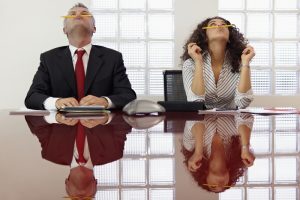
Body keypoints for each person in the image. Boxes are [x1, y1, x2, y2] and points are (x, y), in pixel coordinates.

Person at [25, 3, 136, 110]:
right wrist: (56, 102)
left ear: (94, 28)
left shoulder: (113, 58)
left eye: (84, 13)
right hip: (61, 126)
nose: (78, 15)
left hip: (100, 126)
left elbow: (128, 96)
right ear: (65, 30)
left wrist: (105, 101)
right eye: (72, 14)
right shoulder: (49, 59)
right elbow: (32, 97)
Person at [25, 113, 132, 199]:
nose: (81, 199)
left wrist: (56, 117)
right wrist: (105, 118)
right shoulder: (114, 152)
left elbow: (31, 117)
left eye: (74, 199)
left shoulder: (50, 152)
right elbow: (127, 119)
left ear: (66, 184)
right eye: (87, 199)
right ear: (96, 185)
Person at [181, 16, 255, 109]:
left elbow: (243, 102)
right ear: (205, 36)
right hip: (199, 121)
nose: (219, 25)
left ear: (229, 37)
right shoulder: (190, 64)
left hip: (231, 121)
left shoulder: (240, 62)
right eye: (213, 24)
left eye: (224, 24)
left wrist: (245, 63)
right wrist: (198, 62)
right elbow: (196, 102)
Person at [182, 113, 255, 193]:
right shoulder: (239, 149)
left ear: (205, 177)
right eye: (225, 186)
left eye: (213, 186)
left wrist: (198, 151)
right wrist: (245, 147)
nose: (220, 185)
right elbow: (244, 115)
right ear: (229, 177)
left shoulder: (190, 146)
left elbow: (195, 116)